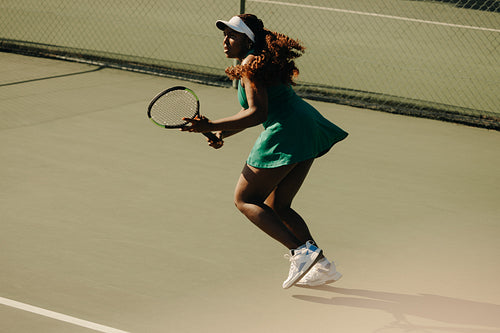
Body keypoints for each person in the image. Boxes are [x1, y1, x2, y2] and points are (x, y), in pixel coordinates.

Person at [181, 14, 348, 288]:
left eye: (232, 35)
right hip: (306, 126)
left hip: (287, 132)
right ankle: (322, 267)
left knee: (245, 199)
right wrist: (222, 132)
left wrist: (209, 125)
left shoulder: (249, 65)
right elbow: (251, 111)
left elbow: (258, 114)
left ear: (247, 39)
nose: (225, 41)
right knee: (278, 206)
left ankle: (302, 253)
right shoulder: (257, 59)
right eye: (224, 35)